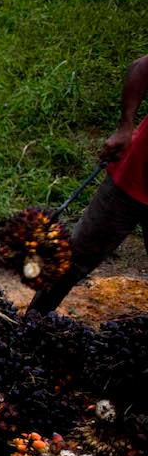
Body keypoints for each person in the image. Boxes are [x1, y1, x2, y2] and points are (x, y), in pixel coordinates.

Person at [28, 55, 148, 314]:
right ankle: (30, 327)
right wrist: (125, 126)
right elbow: (141, 67)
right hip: (133, 177)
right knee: (73, 259)